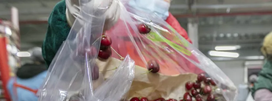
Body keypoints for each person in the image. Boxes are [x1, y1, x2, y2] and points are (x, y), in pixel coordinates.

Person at [43, 0, 191, 66]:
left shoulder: (168, 26)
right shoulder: (104, 10)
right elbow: (56, 62)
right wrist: (72, 20)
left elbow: (189, 66)